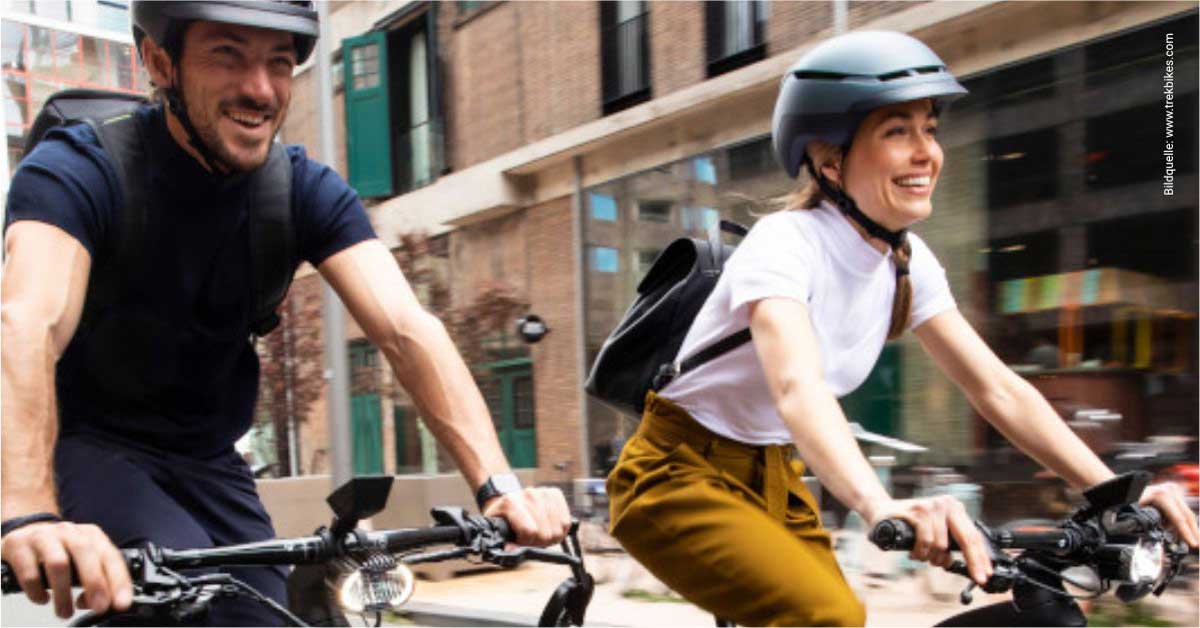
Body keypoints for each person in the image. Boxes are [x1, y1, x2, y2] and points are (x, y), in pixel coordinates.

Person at [0, 2, 570, 624]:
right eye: (228, 55)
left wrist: (499, 489)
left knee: (272, 615)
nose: (261, 89)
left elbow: (408, 331)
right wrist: (29, 512)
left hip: (211, 458)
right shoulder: (78, 169)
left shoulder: (300, 189)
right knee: (187, 603)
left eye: (279, 62)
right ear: (159, 62)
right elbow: (28, 324)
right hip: (90, 446)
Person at [606, 30, 1200, 626]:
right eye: (897, 132)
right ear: (830, 159)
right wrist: (877, 504)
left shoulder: (907, 262)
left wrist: (1112, 493)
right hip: (676, 473)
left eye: (930, 130)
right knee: (828, 617)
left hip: (776, 475)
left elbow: (997, 388)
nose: (927, 153)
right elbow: (797, 388)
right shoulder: (786, 242)